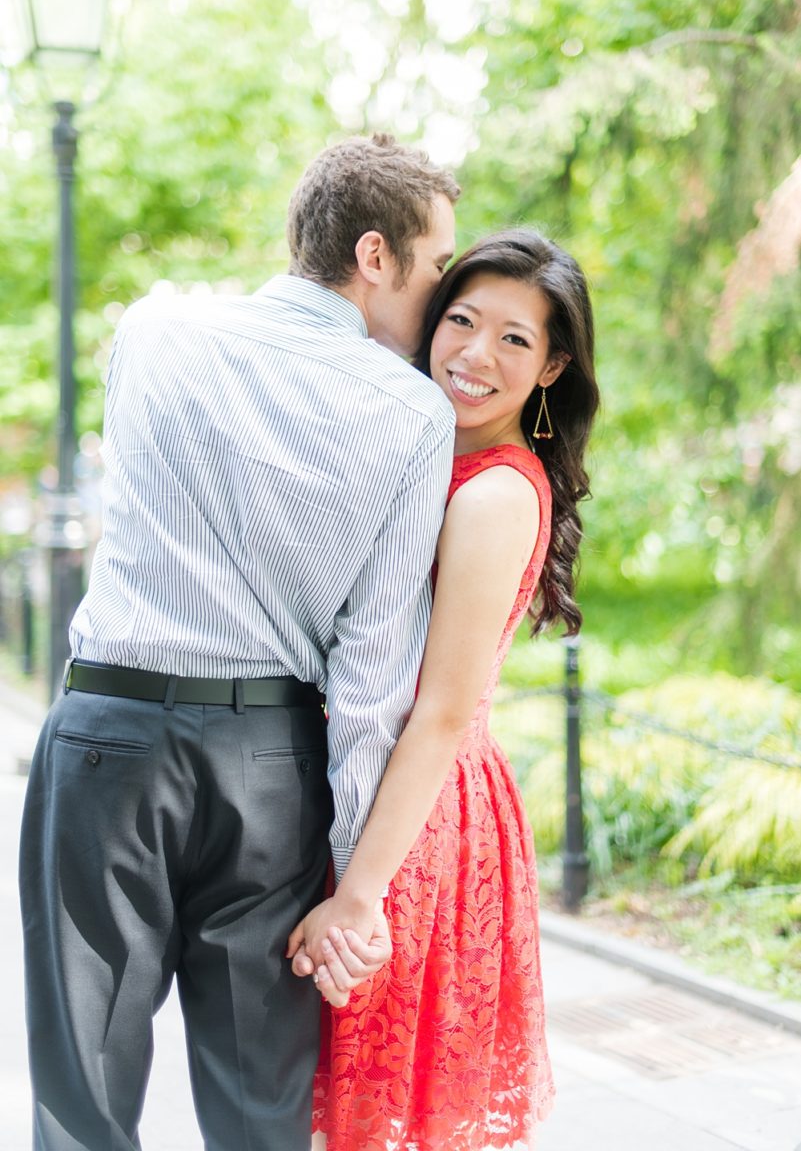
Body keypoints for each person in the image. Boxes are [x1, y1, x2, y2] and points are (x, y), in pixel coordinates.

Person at [18, 133, 460, 1151]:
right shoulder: (413, 414)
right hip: (268, 763)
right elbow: (371, 673)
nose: (441, 296)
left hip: (108, 737)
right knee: (260, 1104)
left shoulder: (157, 329)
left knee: (79, 1097)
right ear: (375, 257)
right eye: (435, 264)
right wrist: (354, 886)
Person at [289, 229, 600, 1150]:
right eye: (460, 321)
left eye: (514, 339)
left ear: (551, 368)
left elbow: (443, 710)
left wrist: (360, 896)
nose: (474, 355)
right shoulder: (431, 460)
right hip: (389, 791)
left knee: (372, 1115)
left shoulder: (496, 493)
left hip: (421, 819)